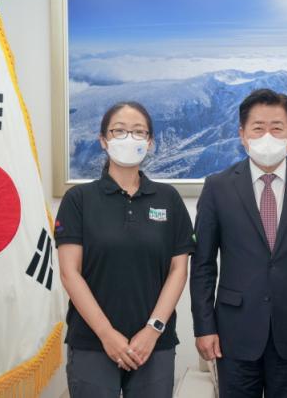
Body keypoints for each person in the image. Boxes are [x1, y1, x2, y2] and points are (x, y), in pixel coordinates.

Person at [190, 88, 287, 398]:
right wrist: (204, 326)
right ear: (242, 134)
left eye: (277, 128)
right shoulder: (217, 187)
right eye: (258, 128)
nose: (267, 136)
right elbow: (203, 265)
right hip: (234, 331)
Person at [55, 101, 194, 398]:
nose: (129, 138)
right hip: (92, 342)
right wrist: (107, 334)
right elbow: (69, 272)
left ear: (150, 142)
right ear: (103, 140)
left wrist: (153, 329)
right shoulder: (79, 199)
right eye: (119, 131)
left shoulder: (168, 198)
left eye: (138, 131)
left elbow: (178, 270)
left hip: (153, 345)